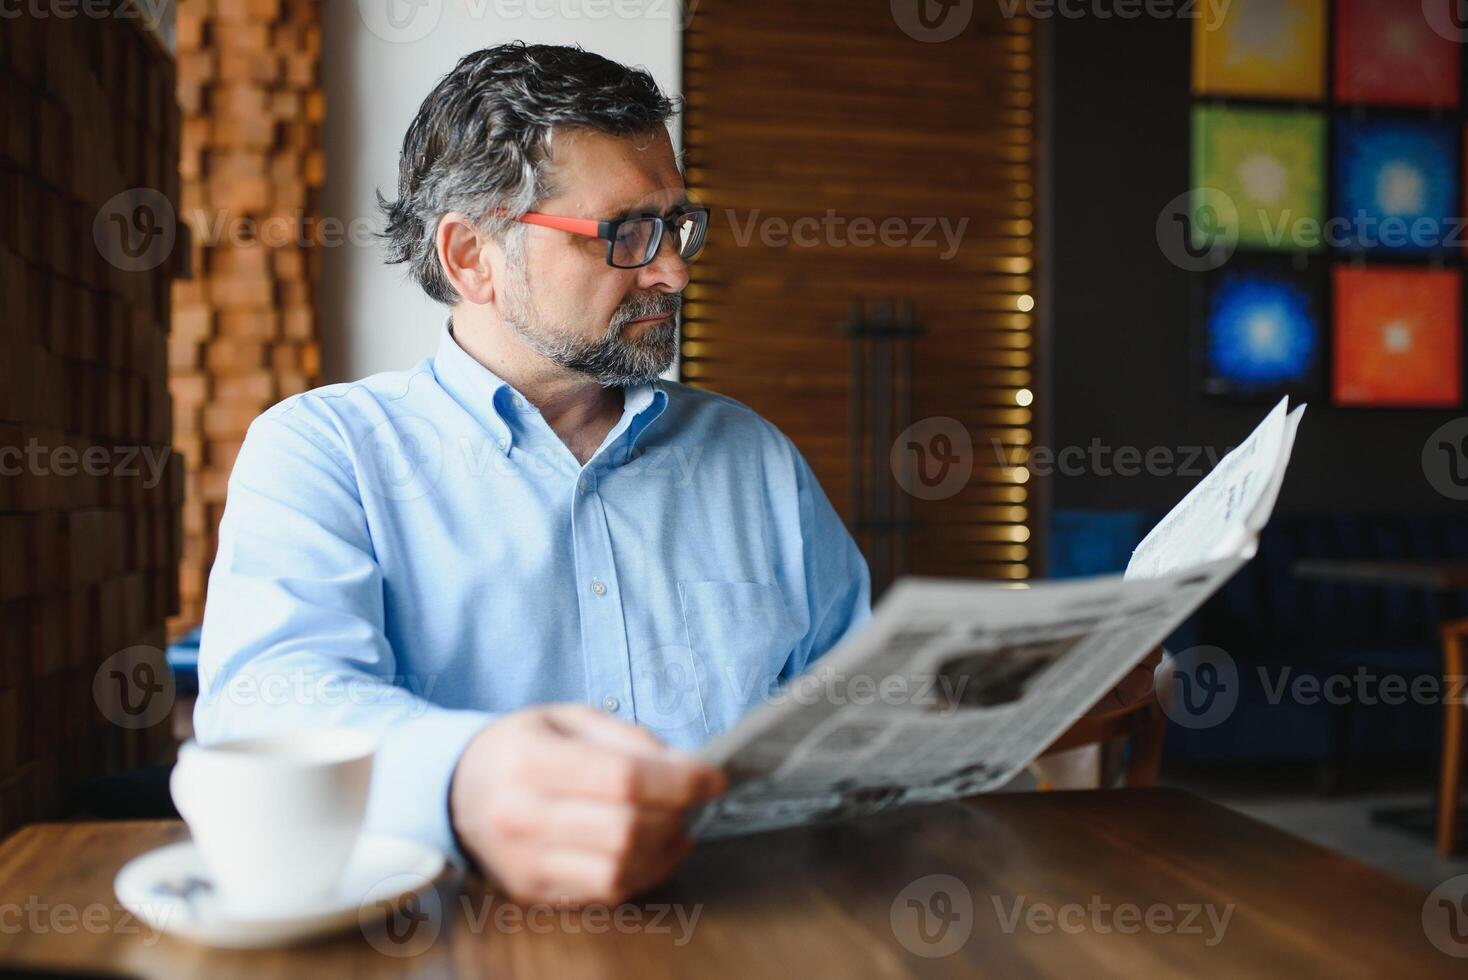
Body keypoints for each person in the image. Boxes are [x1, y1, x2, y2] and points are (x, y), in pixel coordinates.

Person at [194, 42, 872, 905]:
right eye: (627, 234)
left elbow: (854, 704)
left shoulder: (754, 457)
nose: (674, 269)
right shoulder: (326, 450)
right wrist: (467, 778)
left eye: (678, 225)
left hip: (763, 926)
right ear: (472, 256)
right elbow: (266, 706)